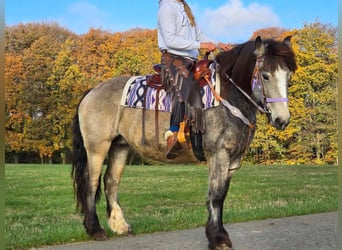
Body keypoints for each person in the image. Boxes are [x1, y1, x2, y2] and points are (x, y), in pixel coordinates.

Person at [158, 0, 230, 159]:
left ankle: (200, 138)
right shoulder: (166, 7)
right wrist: (201, 45)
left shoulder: (185, 9)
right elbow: (170, 40)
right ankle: (173, 133)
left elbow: (198, 34)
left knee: (203, 89)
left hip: (190, 61)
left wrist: (217, 43)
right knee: (183, 92)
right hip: (173, 59)